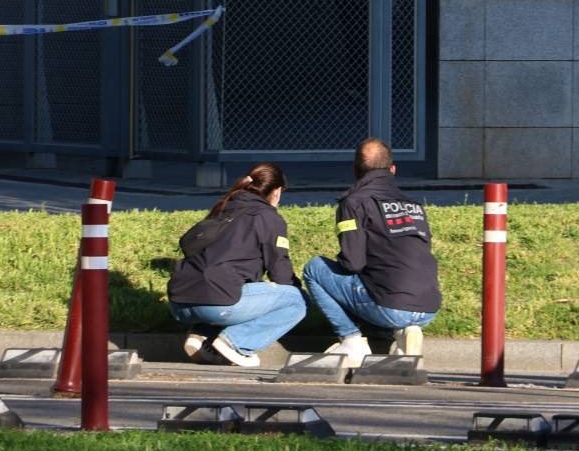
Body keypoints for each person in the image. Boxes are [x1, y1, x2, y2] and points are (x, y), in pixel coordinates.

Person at [303, 138, 441, 367]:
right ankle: (406, 331)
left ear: (355, 171)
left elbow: (352, 263)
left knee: (314, 268)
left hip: (391, 307)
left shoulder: (353, 203)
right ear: (393, 169)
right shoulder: (415, 206)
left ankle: (351, 341)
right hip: (428, 307)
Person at [167, 162, 306, 368]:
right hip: (216, 304)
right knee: (295, 301)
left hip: (179, 303)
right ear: (277, 192)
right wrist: (296, 290)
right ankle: (236, 343)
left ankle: (201, 336)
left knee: (235, 287)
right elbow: (281, 272)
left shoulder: (224, 207)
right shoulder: (269, 217)